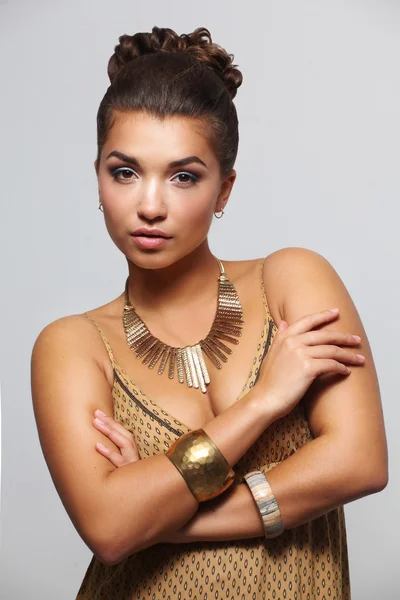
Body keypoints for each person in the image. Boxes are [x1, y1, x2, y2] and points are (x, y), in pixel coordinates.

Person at [31, 26, 388, 600]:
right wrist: (262, 403)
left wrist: (167, 521)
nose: (150, 205)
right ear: (98, 178)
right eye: (125, 171)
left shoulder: (291, 279)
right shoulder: (72, 345)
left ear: (224, 190)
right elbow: (112, 530)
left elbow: (361, 461)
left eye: (183, 176)